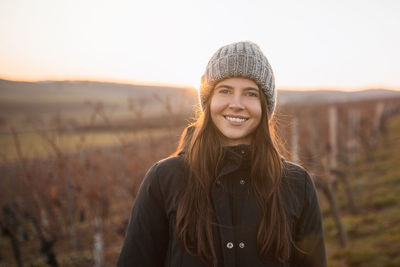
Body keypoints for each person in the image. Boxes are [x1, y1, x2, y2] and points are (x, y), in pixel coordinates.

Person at [117, 41, 326, 267]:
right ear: (209, 100)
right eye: (225, 90)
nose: (236, 104)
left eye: (250, 93)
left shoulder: (296, 184)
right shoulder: (164, 179)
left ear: (265, 106)